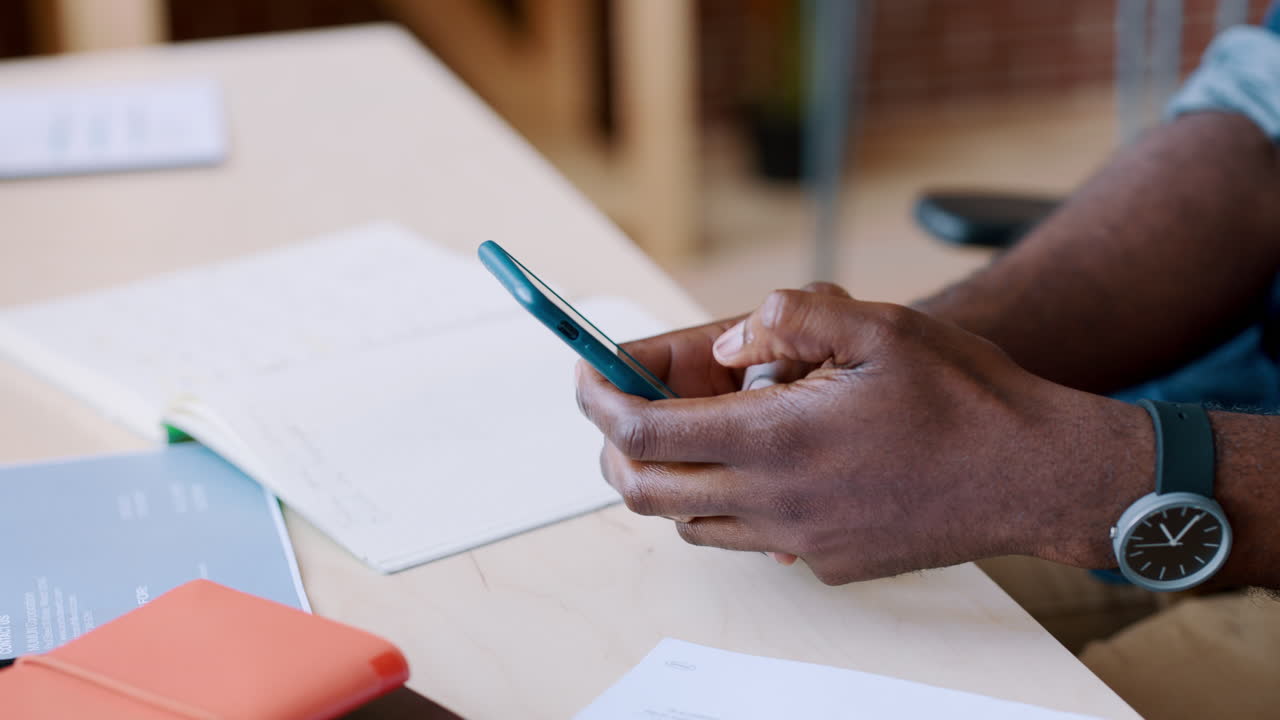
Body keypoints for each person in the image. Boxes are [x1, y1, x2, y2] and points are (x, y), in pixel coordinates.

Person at [573, 19, 1280, 720]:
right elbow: (1258, 131)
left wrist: (1068, 477)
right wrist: (905, 365)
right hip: (1187, 428)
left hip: (1156, 479)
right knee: (694, 632)